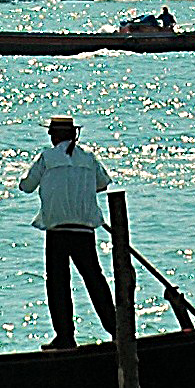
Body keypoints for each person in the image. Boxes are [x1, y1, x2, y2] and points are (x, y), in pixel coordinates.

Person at [18, 115, 115, 350]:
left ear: (54, 136)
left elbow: (27, 186)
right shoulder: (88, 158)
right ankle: (116, 328)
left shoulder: (47, 157)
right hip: (84, 229)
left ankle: (65, 337)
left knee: (58, 284)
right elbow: (102, 183)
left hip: (58, 230)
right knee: (95, 280)